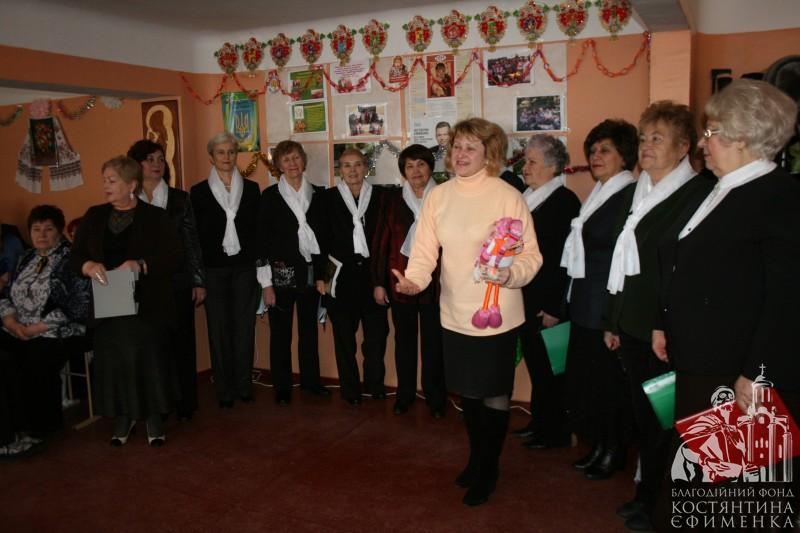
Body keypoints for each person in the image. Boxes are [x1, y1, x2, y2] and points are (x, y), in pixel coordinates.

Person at [652, 80, 799, 524]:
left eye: (711, 132)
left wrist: (757, 374)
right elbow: (685, 264)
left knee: (729, 497)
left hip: (736, 371)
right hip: (702, 362)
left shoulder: (779, 196)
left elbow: (787, 297)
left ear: (743, 136)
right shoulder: (720, 188)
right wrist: (664, 321)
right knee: (701, 484)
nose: (703, 143)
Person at [394, 118, 542, 506]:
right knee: (469, 396)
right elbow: (424, 252)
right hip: (455, 314)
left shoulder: (507, 195)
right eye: (457, 146)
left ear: (488, 153)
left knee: (493, 394)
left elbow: (530, 255)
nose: (460, 154)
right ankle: (477, 459)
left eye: (470, 147)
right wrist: (414, 281)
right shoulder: (439, 196)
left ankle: (488, 469)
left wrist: (511, 274)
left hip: (497, 314)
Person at [603, 102, 713, 531]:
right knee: (647, 420)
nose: (646, 146)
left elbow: (685, 271)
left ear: (684, 147)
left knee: (668, 421)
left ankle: (660, 506)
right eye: (643, 138)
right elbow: (622, 265)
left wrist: (660, 324)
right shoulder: (640, 189)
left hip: (664, 330)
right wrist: (613, 321)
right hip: (632, 325)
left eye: (657, 139)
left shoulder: (698, 193)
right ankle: (646, 496)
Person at [71, 156, 181, 446]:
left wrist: (141, 264)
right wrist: (87, 266)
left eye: (112, 181)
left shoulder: (155, 217)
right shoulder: (95, 216)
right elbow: (75, 256)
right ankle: (124, 416)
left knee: (148, 359)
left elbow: (173, 256)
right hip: (107, 305)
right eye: (104, 181)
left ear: (131, 185)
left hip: (147, 304)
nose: (106, 186)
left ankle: (154, 416)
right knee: (114, 362)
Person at [561, 119, 638, 480]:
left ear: (625, 156)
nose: (596, 156)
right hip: (584, 302)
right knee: (591, 382)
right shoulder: (599, 193)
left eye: (605, 150)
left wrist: (614, 318)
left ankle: (614, 450)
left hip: (606, 306)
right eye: (592, 151)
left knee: (610, 386)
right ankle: (599, 445)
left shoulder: (630, 195)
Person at [0, 205, 89, 457]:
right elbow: (6, 296)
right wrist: (12, 323)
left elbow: (77, 305)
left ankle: (43, 427)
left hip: (58, 330)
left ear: (59, 231)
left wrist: (35, 329)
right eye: (36, 229)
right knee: (5, 359)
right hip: (19, 328)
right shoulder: (25, 258)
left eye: (48, 229)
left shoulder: (70, 259)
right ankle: (13, 426)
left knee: (35, 360)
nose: (41, 234)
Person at [127, 139, 206, 421]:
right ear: (136, 165)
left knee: (181, 343)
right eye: (150, 159)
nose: (157, 164)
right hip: (143, 285)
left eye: (160, 159)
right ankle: (156, 404)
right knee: (151, 346)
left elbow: (192, 242)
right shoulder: (129, 200)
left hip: (177, 281)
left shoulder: (179, 199)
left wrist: (198, 281)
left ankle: (185, 404)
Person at [512, 135, 580, 449]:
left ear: (552, 166)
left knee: (552, 370)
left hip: (547, 302)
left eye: (532, 162)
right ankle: (540, 422)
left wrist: (554, 306)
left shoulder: (564, 201)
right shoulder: (528, 197)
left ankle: (555, 430)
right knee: (538, 367)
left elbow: (565, 260)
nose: (525, 167)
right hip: (526, 298)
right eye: (525, 161)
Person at [371, 144, 447, 418]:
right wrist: (379, 283)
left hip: (436, 284)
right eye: (409, 166)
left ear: (431, 167)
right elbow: (381, 241)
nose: (416, 171)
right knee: (404, 342)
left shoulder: (444, 197)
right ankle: (405, 395)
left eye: (421, 164)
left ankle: (436, 398)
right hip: (400, 281)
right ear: (403, 171)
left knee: (434, 344)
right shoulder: (391, 200)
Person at [311, 148, 388, 405]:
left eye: (357, 164)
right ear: (339, 170)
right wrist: (320, 277)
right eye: (346, 165)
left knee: (376, 337)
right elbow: (319, 241)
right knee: (344, 338)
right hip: (340, 278)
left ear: (365, 167)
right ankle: (350, 390)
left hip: (372, 277)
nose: (352, 170)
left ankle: (375, 385)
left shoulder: (380, 197)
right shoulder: (326, 199)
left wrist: (383, 279)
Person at [256, 140, 329, 405]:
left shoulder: (319, 195)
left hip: (310, 273)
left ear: (303, 160)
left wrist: (323, 276)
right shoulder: (269, 197)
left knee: (308, 332)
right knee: (281, 333)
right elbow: (261, 243)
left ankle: (311, 382)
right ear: (278, 165)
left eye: (296, 157)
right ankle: (282, 386)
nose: (292, 163)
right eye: (286, 160)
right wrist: (266, 284)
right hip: (281, 275)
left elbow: (325, 240)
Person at [190, 132, 261, 409]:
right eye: (221, 152)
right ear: (211, 157)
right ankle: (224, 388)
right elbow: (195, 237)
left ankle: (244, 385)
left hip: (244, 268)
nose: (227, 157)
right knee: (218, 329)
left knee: (244, 328)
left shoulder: (252, 189)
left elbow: (256, 231)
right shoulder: (198, 192)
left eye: (231, 151)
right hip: (214, 270)